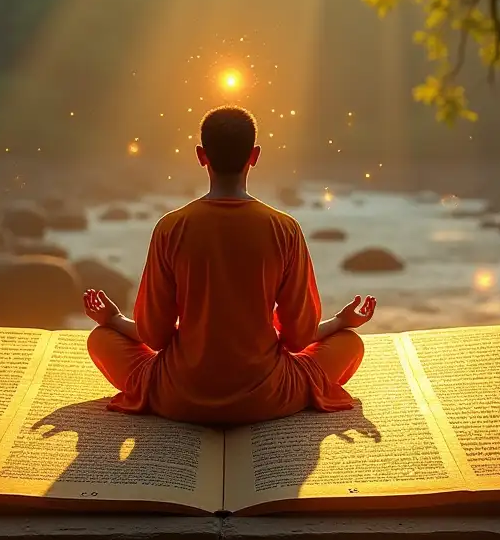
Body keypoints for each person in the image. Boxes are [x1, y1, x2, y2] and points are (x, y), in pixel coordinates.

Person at [82, 105, 377, 426]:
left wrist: (112, 319)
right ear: (255, 155)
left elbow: (154, 336)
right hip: (269, 396)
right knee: (350, 343)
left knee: (100, 338)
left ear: (200, 155)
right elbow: (298, 338)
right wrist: (340, 321)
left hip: (179, 395)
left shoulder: (171, 228)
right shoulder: (284, 228)